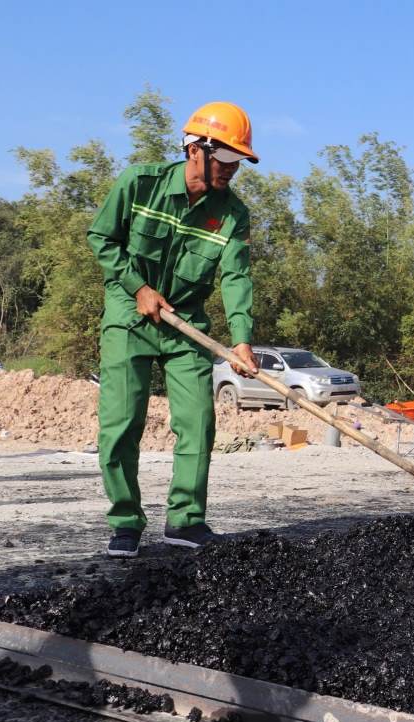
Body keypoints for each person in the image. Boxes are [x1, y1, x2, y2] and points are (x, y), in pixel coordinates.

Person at [89, 102, 261, 558]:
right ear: (194, 150)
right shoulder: (138, 184)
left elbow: (236, 277)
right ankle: (125, 520)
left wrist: (241, 338)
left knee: (199, 424)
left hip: (186, 326)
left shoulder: (232, 215)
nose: (231, 170)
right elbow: (101, 239)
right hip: (130, 318)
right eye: (225, 159)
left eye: (238, 162)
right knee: (122, 425)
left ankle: (185, 520)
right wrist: (138, 286)